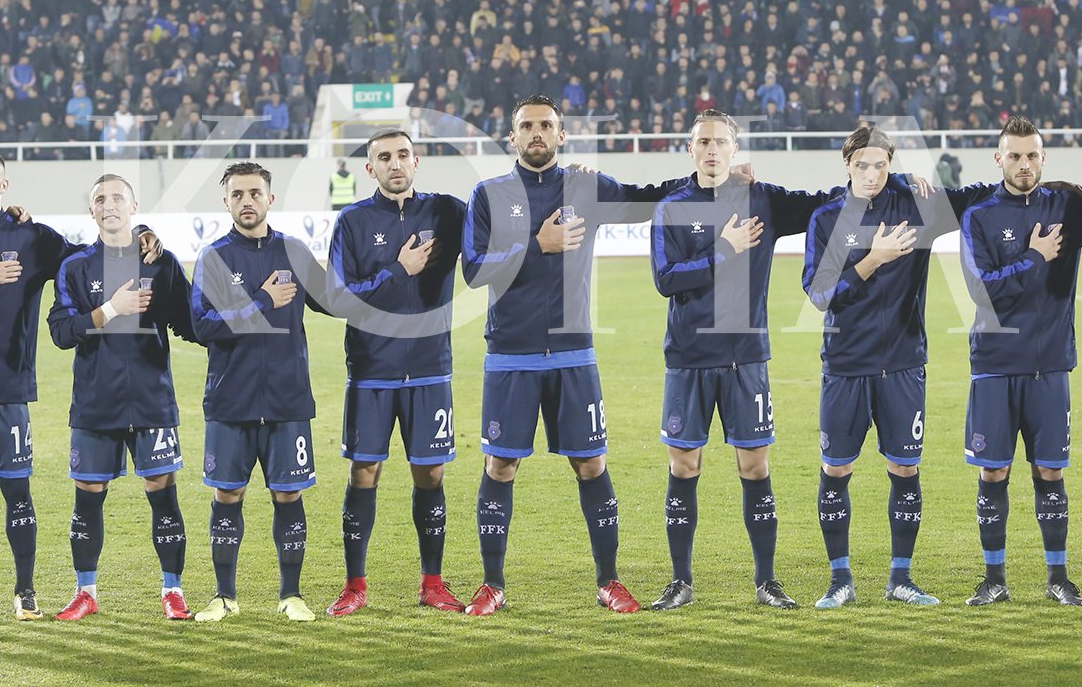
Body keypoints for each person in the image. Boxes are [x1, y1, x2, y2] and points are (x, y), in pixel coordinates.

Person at [460, 94, 690, 616]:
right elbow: (473, 270)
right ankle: (492, 584)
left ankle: (609, 581)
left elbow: (645, 200)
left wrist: (705, 177)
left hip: (573, 352)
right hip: (511, 352)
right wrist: (536, 245)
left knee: (591, 463)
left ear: (562, 136)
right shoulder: (488, 194)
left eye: (546, 125)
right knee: (501, 465)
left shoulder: (586, 187)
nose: (536, 133)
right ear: (512, 137)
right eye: (527, 126)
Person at [0, 148, 160, 621]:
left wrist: (141, 231)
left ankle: (25, 592)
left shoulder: (33, 237)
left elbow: (91, 256)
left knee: (18, 493)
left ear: (4, 184)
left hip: (9, 388)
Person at [645, 109, 829, 611]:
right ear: (690, 149)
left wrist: (889, 181)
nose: (711, 149)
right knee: (684, 465)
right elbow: (666, 279)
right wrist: (723, 250)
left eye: (720, 142)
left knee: (755, 465)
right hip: (689, 357)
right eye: (703, 142)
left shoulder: (761, 199)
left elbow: (828, 203)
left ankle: (767, 582)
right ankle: (681, 581)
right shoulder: (672, 208)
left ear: (735, 148)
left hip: (746, 358)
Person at [800, 126, 990, 609]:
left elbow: (979, 196)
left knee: (905, 467)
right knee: (836, 467)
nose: (871, 174)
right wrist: (872, 260)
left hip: (904, 363)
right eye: (862, 165)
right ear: (847, 165)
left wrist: (1054, 192)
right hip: (845, 365)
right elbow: (819, 294)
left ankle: (900, 579)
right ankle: (840, 580)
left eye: (881, 165)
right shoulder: (827, 218)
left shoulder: (916, 204)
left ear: (891, 165)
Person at [322, 129, 468, 616]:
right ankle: (355, 586)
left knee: (431, 472)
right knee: (365, 472)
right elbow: (338, 298)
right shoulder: (353, 221)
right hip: (372, 370)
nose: (395, 163)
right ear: (371, 168)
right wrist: (398, 271)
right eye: (384, 157)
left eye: (403, 154)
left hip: (430, 367)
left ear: (416, 161)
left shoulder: (447, 212)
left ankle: (433, 583)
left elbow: (497, 232)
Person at [46, 173, 196, 621]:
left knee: (162, 493)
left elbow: (191, 324)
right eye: (100, 199)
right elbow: (60, 332)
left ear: (134, 207)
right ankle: (85, 592)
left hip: (152, 400)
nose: (108, 205)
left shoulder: (160, 262)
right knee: (88, 495)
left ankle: (173, 591)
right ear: (90, 210)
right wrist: (111, 309)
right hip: (96, 402)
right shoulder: (75, 267)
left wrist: (242, 323)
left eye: (117, 198)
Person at [190, 162, 332, 623]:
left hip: (288, 399)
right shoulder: (213, 258)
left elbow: (335, 300)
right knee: (227, 494)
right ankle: (224, 596)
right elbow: (203, 327)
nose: (247, 201)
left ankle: (291, 595)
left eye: (255, 193)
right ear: (226, 202)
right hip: (231, 400)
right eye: (237, 194)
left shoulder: (293, 251)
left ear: (270, 198)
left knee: (288, 496)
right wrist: (263, 301)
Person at [958, 116, 1082, 607]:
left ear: (1044, 158)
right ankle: (994, 579)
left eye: (1032, 155)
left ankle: (1058, 578)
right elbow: (982, 291)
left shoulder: (1068, 207)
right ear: (998, 159)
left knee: (1051, 472)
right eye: (1014, 155)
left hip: (1051, 364)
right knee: (994, 473)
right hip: (995, 364)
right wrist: (1034, 258)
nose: (1024, 164)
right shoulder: (979, 216)